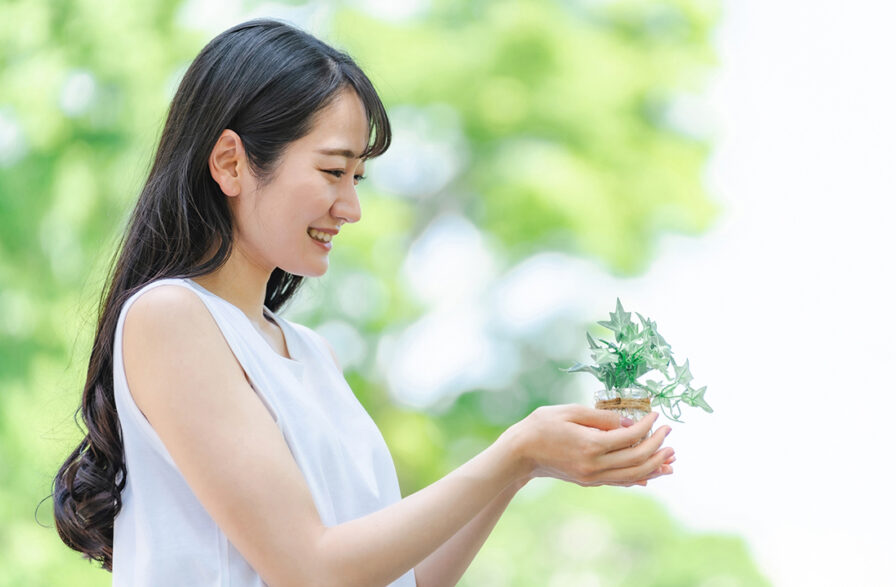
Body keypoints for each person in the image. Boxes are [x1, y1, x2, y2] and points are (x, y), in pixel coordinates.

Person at [52, 18, 675, 586]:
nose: (350, 208)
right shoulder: (171, 318)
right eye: (332, 172)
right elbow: (310, 569)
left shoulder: (312, 354)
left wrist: (521, 467)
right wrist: (514, 450)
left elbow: (398, 579)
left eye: (358, 178)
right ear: (231, 162)